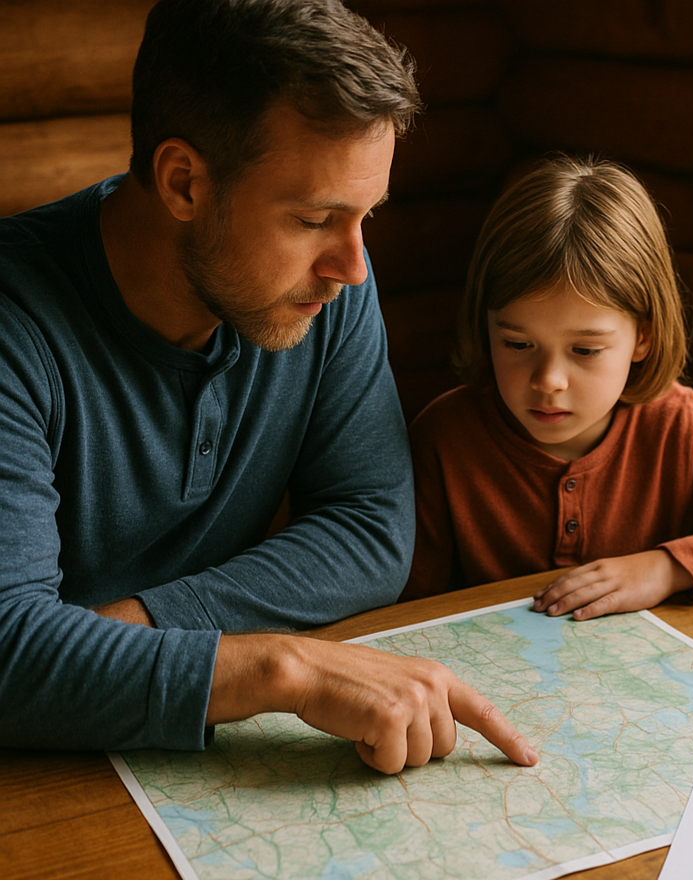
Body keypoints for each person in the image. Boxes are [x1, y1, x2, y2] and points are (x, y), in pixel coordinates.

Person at [0, 0, 537, 775]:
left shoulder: (329, 288)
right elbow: (9, 650)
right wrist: (278, 669)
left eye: (365, 216)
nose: (352, 265)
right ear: (183, 182)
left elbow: (371, 526)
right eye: (315, 217)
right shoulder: (17, 323)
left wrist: (137, 628)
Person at [401, 154, 693, 618]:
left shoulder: (677, 426)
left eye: (585, 350)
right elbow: (403, 612)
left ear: (643, 336)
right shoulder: (444, 439)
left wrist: (665, 568)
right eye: (517, 343)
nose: (548, 381)